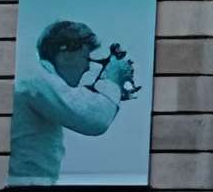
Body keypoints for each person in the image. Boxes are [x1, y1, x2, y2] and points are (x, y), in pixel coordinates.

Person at [10, 18, 137, 183]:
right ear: (65, 55)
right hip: (24, 187)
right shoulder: (37, 81)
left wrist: (113, 91)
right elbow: (94, 120)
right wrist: (113, 79)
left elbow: (78, 100)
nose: (88, 67)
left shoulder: (38, 80)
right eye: (86, 58)